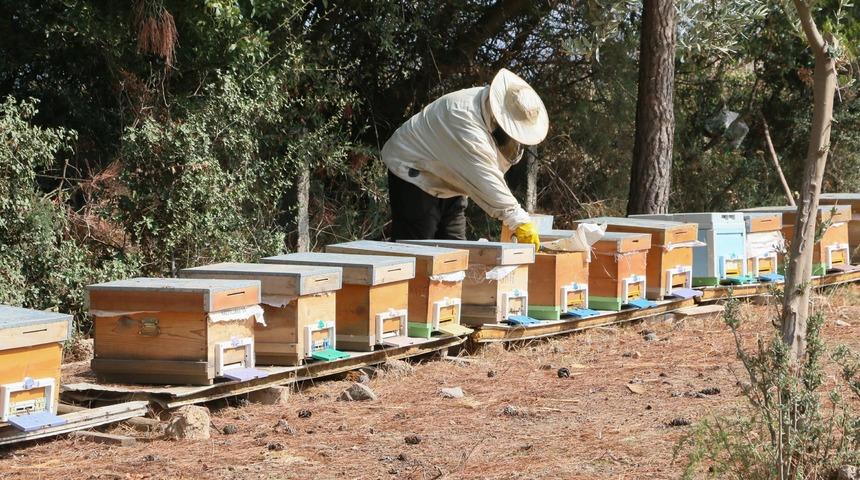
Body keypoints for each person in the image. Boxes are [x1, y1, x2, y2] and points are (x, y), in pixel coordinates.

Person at [381, 68, 548, 249]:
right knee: (417, 249)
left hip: (448, 174)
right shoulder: (465, 121)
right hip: (414, 170)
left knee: (454, 251)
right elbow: (485, 176)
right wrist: (519, 220)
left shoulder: (487, 109)